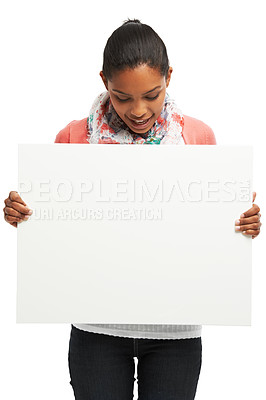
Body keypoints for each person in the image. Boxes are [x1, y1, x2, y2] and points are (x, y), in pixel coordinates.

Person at [3, 18, 262, 400]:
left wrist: (243, 225)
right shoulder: (73, 138)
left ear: (169, 78)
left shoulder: (198, 137)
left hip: (175, 332)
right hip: (97, 330)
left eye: (152, 95)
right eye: (122, 97)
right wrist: (23, 215)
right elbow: (55, 229)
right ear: (104, 82)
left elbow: (211, 231)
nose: (138, 110)